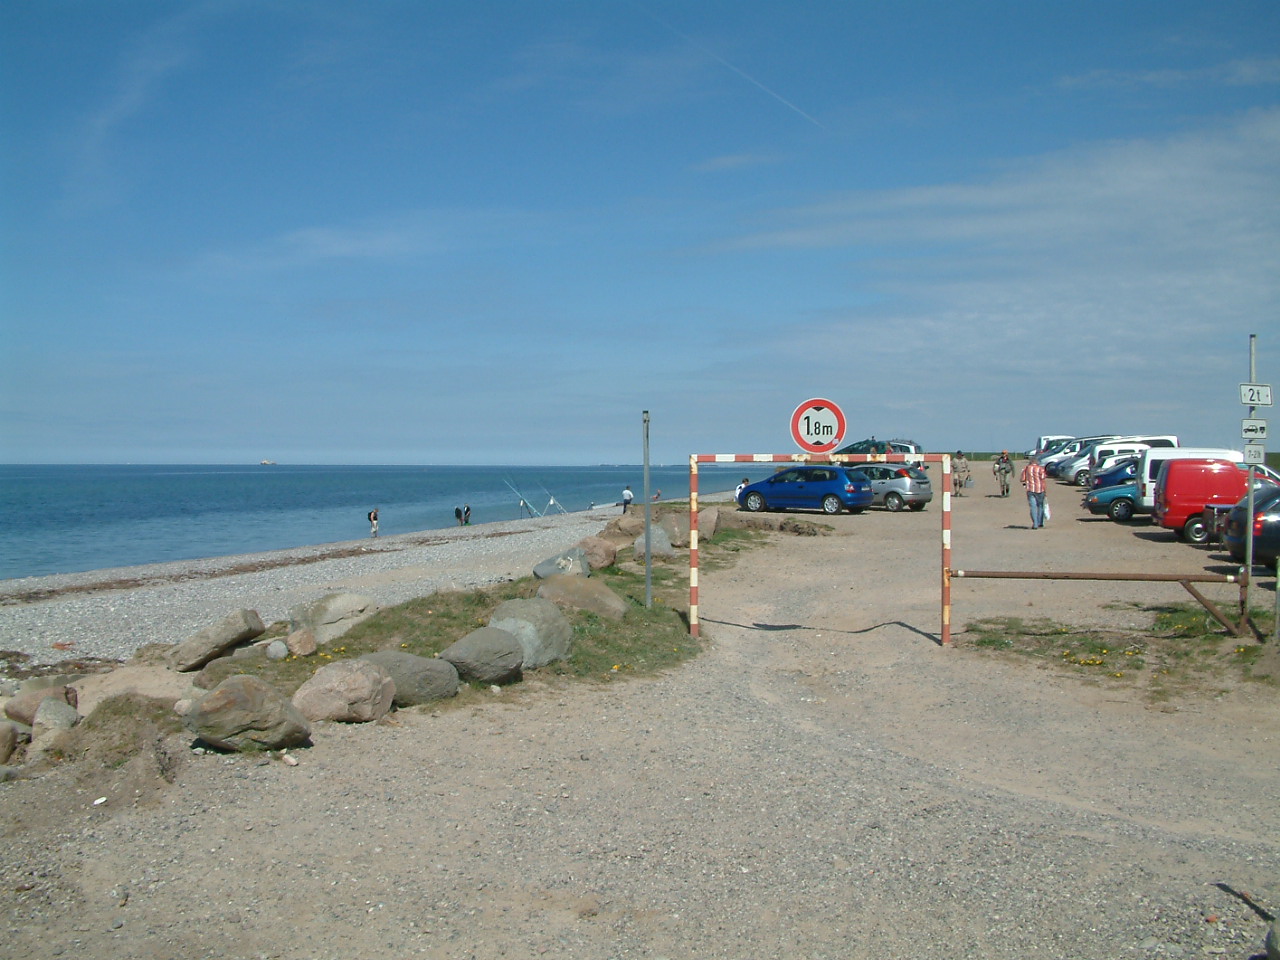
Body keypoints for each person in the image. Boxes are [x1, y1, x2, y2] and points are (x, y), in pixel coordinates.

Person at [1021, 454, 1048, 529]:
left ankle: (1035, 523)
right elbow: (1043, 479)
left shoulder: (1027, 468)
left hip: (1030, 489)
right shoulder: (1040, 469)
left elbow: (1022, 479)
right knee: (1040, 506)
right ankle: (1040, 522)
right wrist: (1045, 490)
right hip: (1040, 489)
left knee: (1033, 507)